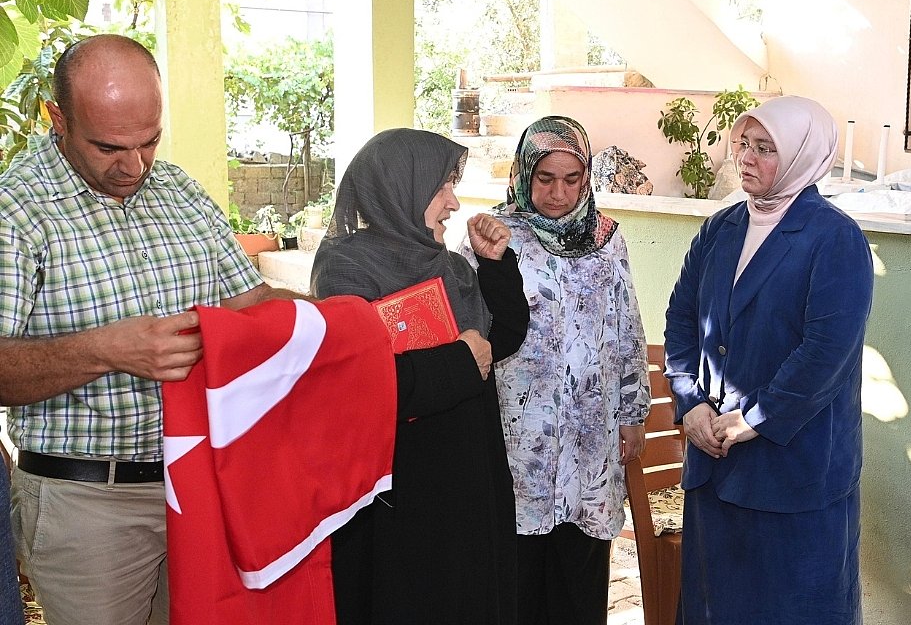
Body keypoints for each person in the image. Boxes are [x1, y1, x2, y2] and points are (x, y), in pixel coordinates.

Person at [0, 34, 307, 625]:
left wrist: (340, 318)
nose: (134, 167)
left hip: (201, 482)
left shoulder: (179, 190)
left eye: (150, 141)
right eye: (109, 147)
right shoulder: (16, 211)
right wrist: (104, 351)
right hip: (90, 504)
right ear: (57, 119)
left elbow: (251, 303)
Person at [664, 95, 873, 625]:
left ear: (802, 155)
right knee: (715, 607)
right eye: (744, 144)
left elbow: (827, 351)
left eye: (765, 148)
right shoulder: (720, 229)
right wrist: (690, 402)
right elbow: (683, 319)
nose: (746, 158)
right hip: (714, 459)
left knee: (790, 609)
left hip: (792, 471)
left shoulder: (835, 238)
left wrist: (753, 418)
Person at [310, 128, 528, 625]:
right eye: (440, 186)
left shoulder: (450, 267)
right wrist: (460, 361)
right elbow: (363, 382)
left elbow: (500, 341)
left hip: (468, 483)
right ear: (398, 188)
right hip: (400, 496)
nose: (453, 202)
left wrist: (493, 265)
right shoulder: (346, 272)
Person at [462, 115, 650, 625]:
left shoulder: (607, 239)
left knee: (579, 569)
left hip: (590, 434)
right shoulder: (494, 236)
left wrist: (632, 413)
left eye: (572, 179)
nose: (558, 194)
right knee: (518, 571)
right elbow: (471, 329)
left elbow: (626, 327)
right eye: (545, 179)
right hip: (520, 433)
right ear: (524, 172)